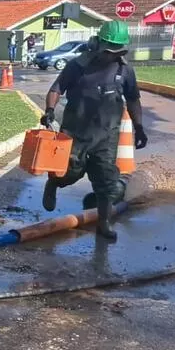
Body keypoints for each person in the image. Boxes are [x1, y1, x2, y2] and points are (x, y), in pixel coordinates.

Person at [41, 20, 148, 241]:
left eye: (117, 51)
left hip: (106, 136)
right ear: (98, 44)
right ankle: (53, 183)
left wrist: (139, 127)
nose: (112, 55)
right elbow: (56, 89)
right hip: (75, 133)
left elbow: (133, 99)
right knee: (70, 173)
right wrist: (50, 110)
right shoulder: (77, 66)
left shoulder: (125, 70)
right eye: (109, 51)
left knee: (106, 181)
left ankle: (103, 224)